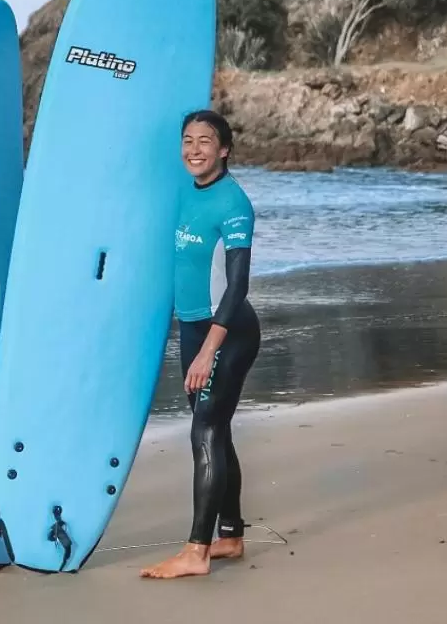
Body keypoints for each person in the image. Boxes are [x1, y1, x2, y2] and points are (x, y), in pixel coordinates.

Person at [140, 110, 261, 580]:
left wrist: (209, 349)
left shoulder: (233, 205)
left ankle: (197, 551)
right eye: (187, 140)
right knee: (216, 426)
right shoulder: (187, 193)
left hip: (226, 332)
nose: (194, 149)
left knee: (205, 431)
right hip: (193, 328)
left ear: (224, 149)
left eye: (205, 141)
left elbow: (237, 288)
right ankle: (230, 534)